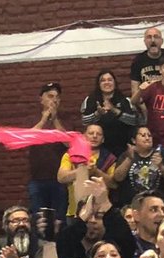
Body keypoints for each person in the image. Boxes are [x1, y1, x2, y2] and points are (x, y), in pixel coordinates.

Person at [27, 81, 70, 219]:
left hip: (60, 180)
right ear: (41, 99)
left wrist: (55, 119)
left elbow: (68, 143)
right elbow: (29, 138)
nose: (54, 100)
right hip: (37, 179)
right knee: (39, 220)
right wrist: (44, 119)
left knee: (59, 219)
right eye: (50, 96)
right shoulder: (32, 119)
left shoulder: (65, 120)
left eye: (57, 97)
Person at [56, 124, 116, 217]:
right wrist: (82, 170)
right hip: (74, 211)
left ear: (103, 139)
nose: (94, 136)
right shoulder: (70, 155)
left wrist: (96, 171)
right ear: (84, 137)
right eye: (91, 133)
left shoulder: (109, 158)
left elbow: (113, 184)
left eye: (98, 134)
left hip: (100, 212)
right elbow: (61, 177)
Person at [79, 70, 140, 157]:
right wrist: (97, 114)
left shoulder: (125, 100)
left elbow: (133, 120)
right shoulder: (90, 100)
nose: (106, 82)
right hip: (98, 149)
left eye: (110, 80)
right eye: (103, 80)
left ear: (115, 83)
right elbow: (85, 121)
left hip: (122, 147)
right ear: (98, 84)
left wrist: (114, 110)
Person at [112, 126, 164, 205]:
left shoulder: (160, 154)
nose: (147, 138)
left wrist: (161, 166)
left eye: (149, 136)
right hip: (131, 204)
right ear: (134, 140)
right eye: (143, 135)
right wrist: (129, 159)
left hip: (157, 203)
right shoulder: (127, 154)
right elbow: (118, 178)